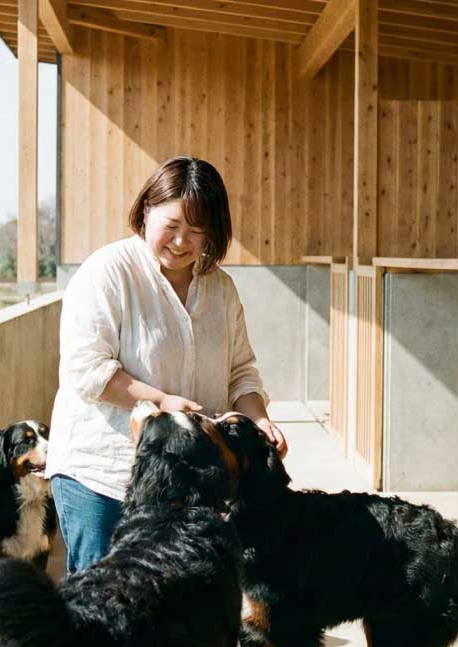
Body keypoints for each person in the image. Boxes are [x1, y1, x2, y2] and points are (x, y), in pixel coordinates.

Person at [45, 156, 288, 574]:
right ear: (145, 212)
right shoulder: (108, 272)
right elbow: (87, 368)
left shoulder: (220, 289)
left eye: (196, 231)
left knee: (175, 616)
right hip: (104, 474)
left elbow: (240, 371)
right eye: (171, 226)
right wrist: (160, 402)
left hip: (187, 482)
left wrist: (260, 421)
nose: (181, 242)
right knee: (104, 610)